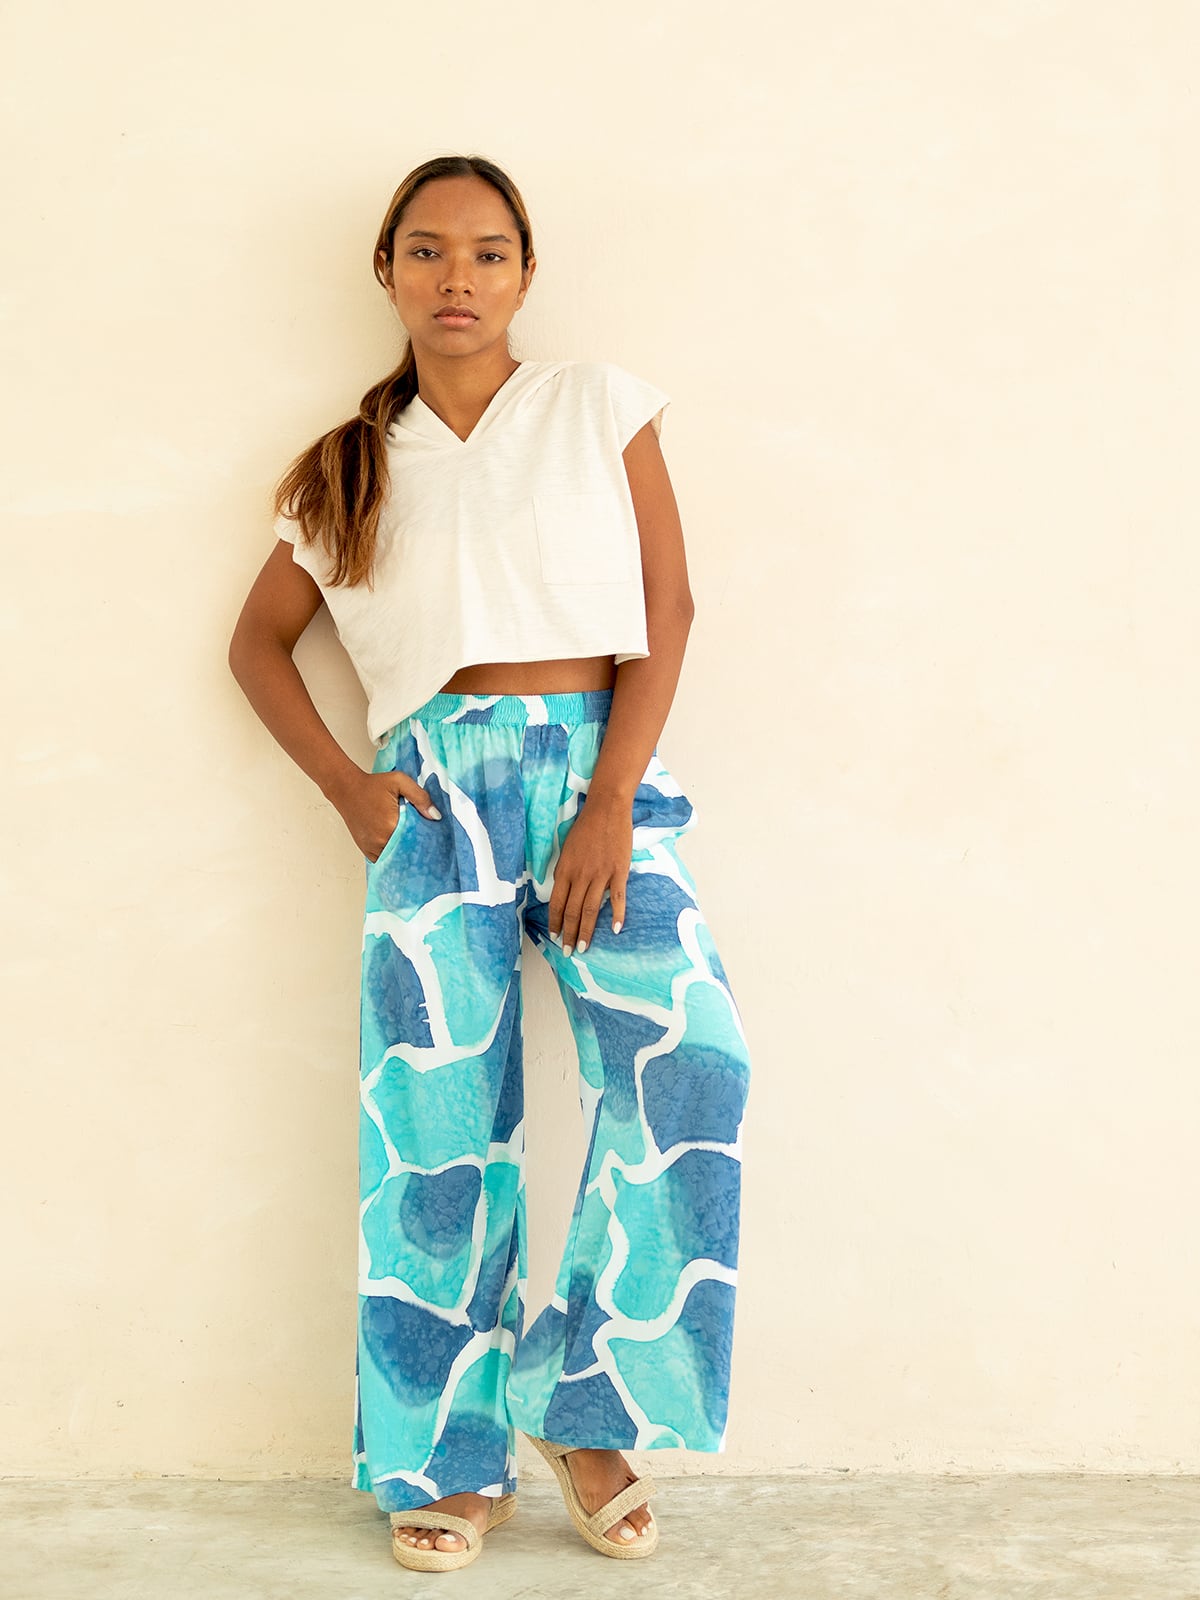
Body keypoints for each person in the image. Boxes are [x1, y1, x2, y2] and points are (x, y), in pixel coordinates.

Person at [228, 153, 752, 1574]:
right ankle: (447, 1459)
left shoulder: (594, 406)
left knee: (694, 1065)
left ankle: (584, 1408)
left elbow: (667, 605)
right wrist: (350, 790)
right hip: (432, 797)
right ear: (387, 270)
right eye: (428, 250)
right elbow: (256, 644)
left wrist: (611, 797)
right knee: (436, 1129)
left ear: (526, 273)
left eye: (488, 252)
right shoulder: (346, 467)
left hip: (595, 777)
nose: (456, 276)